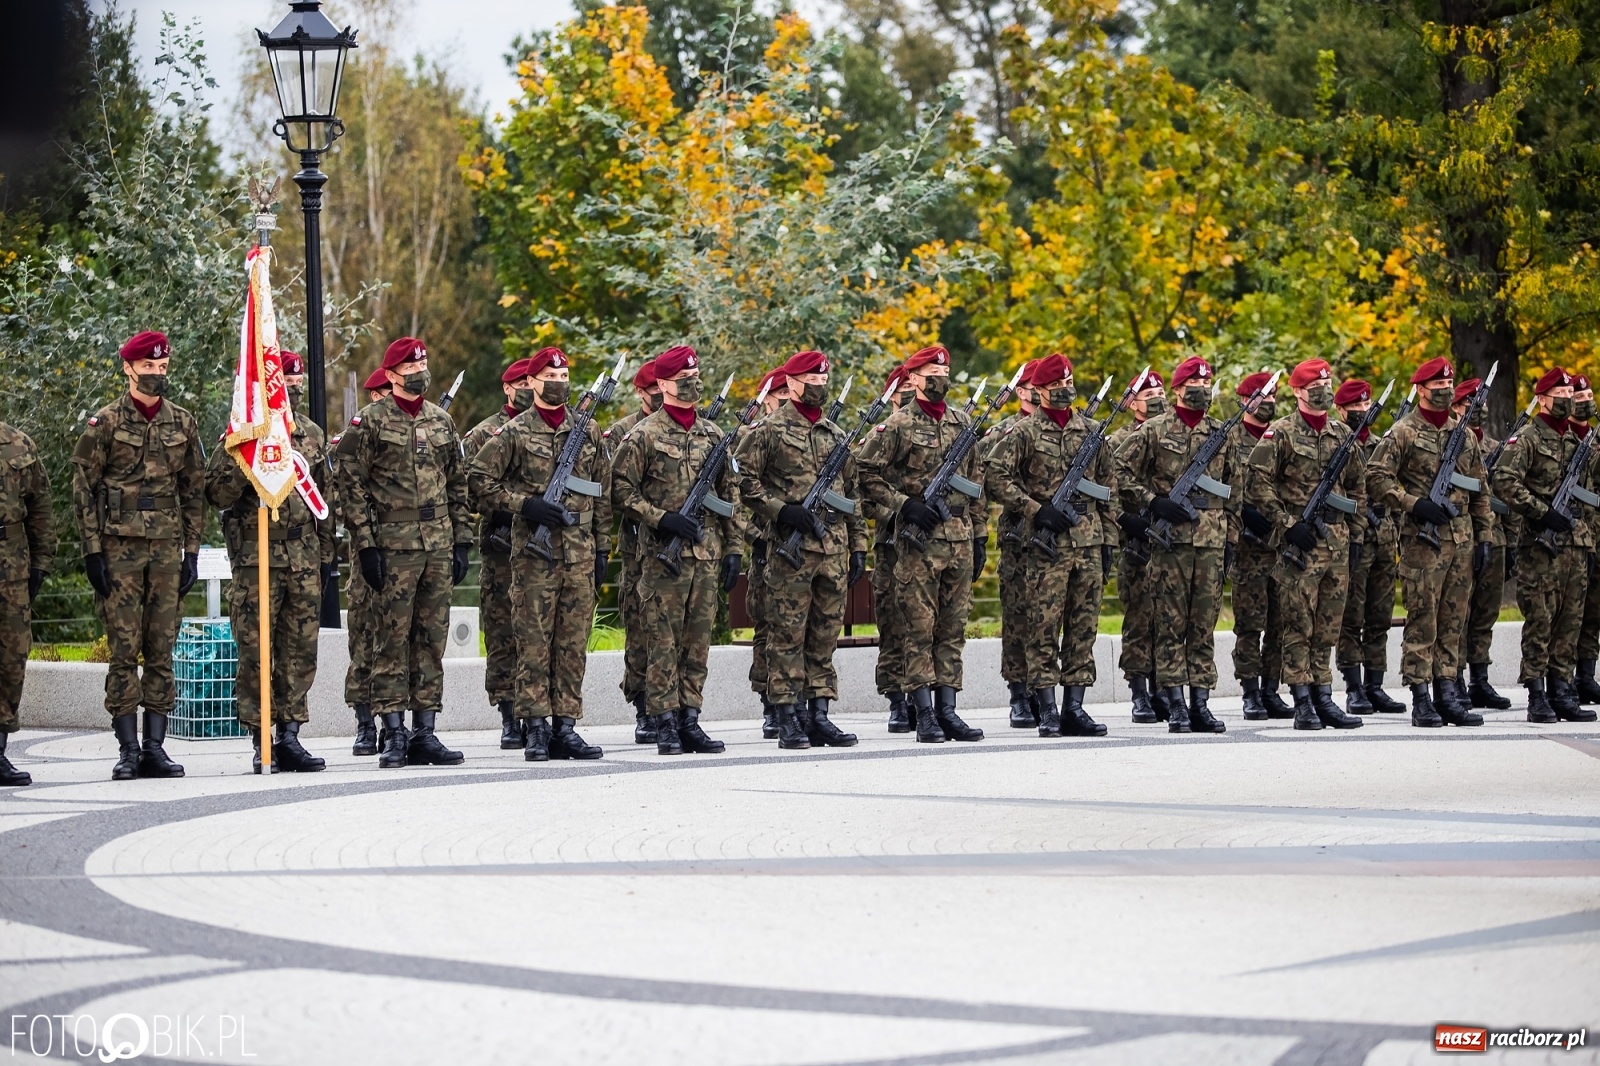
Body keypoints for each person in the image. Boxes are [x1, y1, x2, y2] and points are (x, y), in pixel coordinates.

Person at [72, 330, 204, 780]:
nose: (156, 374)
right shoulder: (105, 423)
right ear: (128, 368)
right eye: (148, 366)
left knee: (162, 649)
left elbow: (193, 491)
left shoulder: (183, 422)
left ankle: (155, 748)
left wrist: (191, 552)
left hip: (166, 551)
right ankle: (128, 749)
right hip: (119, 551)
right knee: (124, 651)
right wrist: (92, 552)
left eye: (162, 367)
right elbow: (83, 490)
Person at [336, 336, 474, 767]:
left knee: (431, 640)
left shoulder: (441, 421)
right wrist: (365, 546)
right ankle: (393, 731)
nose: (419, 373)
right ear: (392, 375)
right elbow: (350, 486)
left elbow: (458, 483)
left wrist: (462, 540)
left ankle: (425, 731)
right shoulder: (369, 422)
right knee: (391, 640)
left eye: (423, 365)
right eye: (411, 368)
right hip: (392, 546)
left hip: (437, 543)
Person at [469, 346, 610, 760]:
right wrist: (524, 505)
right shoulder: (514, 432)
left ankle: (565, 727)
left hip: (579, 552)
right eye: (550, 376)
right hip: (535, 556)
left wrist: (602, 547)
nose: (559, 383)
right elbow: (477, 481)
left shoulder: (588, 430)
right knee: (532, 642)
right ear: (531, 382)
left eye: (564, 377)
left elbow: (602, 491)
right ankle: (534, 727)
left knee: (572, 644)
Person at [205, 351, 333, 772]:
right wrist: (249, 456)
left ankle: (290, 736)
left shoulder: (310, 434)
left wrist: (326, 558)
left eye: (296, 384)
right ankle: (262, 738)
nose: (291, 390)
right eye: (284, 384)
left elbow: (325, 500)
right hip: (256, 560)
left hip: (303, 560)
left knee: (299, 652)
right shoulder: (239, 437)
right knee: (257, 654)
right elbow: (215, 494)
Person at [734, 349, 867, 749]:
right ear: (791, 384)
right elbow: (742, 483)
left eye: (823, 381)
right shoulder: (767, 431)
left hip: (832, 551)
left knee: (824, 636)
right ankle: (788, 716)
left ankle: (819, 714)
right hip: (789, 554)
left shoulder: (835, 435)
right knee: (786, 636)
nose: (819, 387)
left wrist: (858, 545)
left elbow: (852, 495)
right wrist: (781, 511)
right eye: (811, 381)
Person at [611, 345, 738, 755]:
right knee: (662, 644)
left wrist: (734, 549)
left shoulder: (713, 435)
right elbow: (620, 491)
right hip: (661, 559)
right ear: (663, 384)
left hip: (705, 557)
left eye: (695, 377)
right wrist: (661, 518)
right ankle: (664, 722)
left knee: (696, 644)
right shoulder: (643, 435)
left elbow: (729, 496)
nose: (691, 384)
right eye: (683, 379)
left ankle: (690, 719)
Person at [858, 345, 986, 744]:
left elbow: (976, 482)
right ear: (912, 379)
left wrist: (980, 534)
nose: (940, 379)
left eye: (944, 373)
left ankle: (948, 710)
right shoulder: (897, 425)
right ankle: (924, 712)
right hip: (917, 546)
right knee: (917, 630)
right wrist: (904, 505)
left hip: (959, 540)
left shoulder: (962, 423)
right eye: (932, 373)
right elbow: (865, 473)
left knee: (952, 629)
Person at [986, 352, 1113, 736]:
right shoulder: (1023, 432)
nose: (1063, 390)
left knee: (1083, 627)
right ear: (1038, 390)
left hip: (1087, 544)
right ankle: (1047, 708)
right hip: (1045, 548)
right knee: (1042, 627)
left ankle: (1075, 706)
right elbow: (995, 476)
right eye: (1055, 385)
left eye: (1067, 383)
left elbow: (1110, 489)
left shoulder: (1091, 431)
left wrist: (1108, 540)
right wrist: (1035, 509)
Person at [1113, 356, 1237, 734]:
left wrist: (1231, 539)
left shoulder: (1221, 433)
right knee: (1170, 625)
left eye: (1207, 384)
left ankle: (1201, 702)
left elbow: (1237, 490)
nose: (1202, 390)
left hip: (1211, 541)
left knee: (1203, 625)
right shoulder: (1154, 430)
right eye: (1194, 385)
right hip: (1170, 543)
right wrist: (1152, 502)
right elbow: (1115, 471)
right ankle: (1176, 704)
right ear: (1178, 389)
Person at [1367, 356, 1491, 727]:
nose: (1445, 391)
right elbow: (1376, 477)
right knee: (1423, 620)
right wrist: (1413, 503)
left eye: (1448, 385)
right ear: (1420, 389)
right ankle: (1421, 697)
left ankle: (1447, 693)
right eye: (1437, 385)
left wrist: (1484, 537)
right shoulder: (1403, 431)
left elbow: (1480, 489)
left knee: (1454, 621)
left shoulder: (1464, 434)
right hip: (1423, 543)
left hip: (1461, 541)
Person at [1245, 358, 1366, 730]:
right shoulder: (1279, 433)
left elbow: (1357, 488)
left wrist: (1356, 534)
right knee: (1298, 624)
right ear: (1297, 391)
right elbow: (1257, 483)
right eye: (1314, 387)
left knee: (1328, 626)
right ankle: (1302, 701)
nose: (1323, 392)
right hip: (1301, 542)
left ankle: (1323, 697)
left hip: (1336, 542)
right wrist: (1286, 524)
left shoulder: (1341, 434)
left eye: (1327, 386)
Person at [1491, 367, 1598, 723]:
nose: (1567, 400)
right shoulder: (1528, 438)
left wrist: (1584, 538)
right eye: (1559, 395)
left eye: (1569, 395)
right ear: (1542, 399)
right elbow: (1504, 481)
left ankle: (1562, 691)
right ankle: (1537, 694)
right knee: (1541, 622)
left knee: (1570, 622)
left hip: (1574, 546)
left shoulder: (1575, 441)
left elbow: (1587, 494)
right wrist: (1542, 512)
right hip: (1540, 548)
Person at [462, 358, 537, 751]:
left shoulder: (548, 430)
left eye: (530, 382)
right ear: (507, 389)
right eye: (520, 384)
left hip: (540, 545)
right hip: (501, 547)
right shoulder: (483, 434)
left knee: (538, 633)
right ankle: (509, 716)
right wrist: (500, 514)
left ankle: (538, 714)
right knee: (503, 632)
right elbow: (468, 489)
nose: (527, 389)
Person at [1332, 380, 1407, 714]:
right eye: (1355, 407)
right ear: (1340, 410)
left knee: (1380, 615)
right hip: (1354, 539)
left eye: (1366, 405)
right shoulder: (1336, 443)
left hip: (1384, 538)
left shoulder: (1382, 444)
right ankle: (1354, 687)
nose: (1362, 411)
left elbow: (1396, 489)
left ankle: (1375, 685)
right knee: (1351, 616)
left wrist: (1397, 532)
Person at [604, 359, 661, 744]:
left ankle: (675, 708)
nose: (660, 394)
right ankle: (643, 707)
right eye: (653, 389)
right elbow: (614, 490)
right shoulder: (623, 433)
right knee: (640, 628)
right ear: (640, 392)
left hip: (682, 547)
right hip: (639, 547)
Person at [337, 366, 393, 756]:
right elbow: (342, 496)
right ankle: (364, 724)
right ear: (375, 396)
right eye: (387, 392)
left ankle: (396, 726)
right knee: (364, 641)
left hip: (406, 550)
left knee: (398, 642)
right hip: (366, 552)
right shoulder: (355, 438)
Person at [980, 359, 1039, 730]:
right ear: (1021, 391)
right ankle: (1019, 694)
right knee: (1018, 617)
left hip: (1058, 539)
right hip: (1020, 536)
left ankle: (1045, 692)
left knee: (1050, 619)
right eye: (1035, 385)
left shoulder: (1064, 431)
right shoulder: (1003, 432)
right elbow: (983, 478)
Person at [1231, 371, 1291, 720]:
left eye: (1272, 397)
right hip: (1248, 548)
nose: (1268, 402)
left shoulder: (1281, 435)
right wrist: (1244, 514)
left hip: (1281, 543)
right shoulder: (1230, 438)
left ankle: (1271, 690)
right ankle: (1250, 692)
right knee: (1250, 624)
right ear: (1244, 400)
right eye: (1261, 396)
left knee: (1280, 622)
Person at [1109, 370, 1168, 723]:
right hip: (1138, 542)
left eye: (1161, 394)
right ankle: (1139, 692)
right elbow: (1108, 488)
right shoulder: (1118, 440)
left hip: (1171, 541)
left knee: (1168, 619)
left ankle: (1164, 688)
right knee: (1139, 620)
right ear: (1132, 403)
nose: (1158, 400)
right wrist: (1124, 520)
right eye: (1150, 395)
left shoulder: (1171, 435)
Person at [1452, 378, 1513, 711]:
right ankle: (1454, 679)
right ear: (1456, 406)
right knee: (1458, 613)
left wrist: (1511, 543)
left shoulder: (1493, 448)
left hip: (1495, 538)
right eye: (1470, 404)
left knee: (1485, 613)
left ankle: (1480, 679)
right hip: (1461, 538)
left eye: (1481, 404)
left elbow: (1505, 499)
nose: (1478, 410)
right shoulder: (1450, 443)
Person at [0, 418, 54, 786]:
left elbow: (40, 506)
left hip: (11, 567)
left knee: (11, 658)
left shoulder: (19, 443)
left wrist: (41, 563)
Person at [865, 363, 917, 731]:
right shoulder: (880, 436)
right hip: (891, 546)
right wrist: (897, 510)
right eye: (903, 392)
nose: (909, 397)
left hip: (926, 545)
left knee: (925, 626)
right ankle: (897, 700)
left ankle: (923, 696)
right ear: (892, 397)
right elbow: (862, 495)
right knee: (893, 625)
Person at [744, 366, 787, 737]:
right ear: (766, 400)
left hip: (801, 549)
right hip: (765, 547)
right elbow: (734, 498)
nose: (786, 401)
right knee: (768, 629)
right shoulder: (751, 438)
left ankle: (797, 701)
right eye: (780, 396)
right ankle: (770, 703)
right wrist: (755, 536)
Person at [1568, 374, 1600, 706]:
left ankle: (1586, 676)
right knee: (1568, 612)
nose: (1586, 401)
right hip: (1571, 535)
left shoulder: (1595, 437)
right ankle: (1560, 681)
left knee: (1593, 610)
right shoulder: (1561, 438)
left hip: (1597, 534)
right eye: (1579, 397)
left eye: (1589, 396)